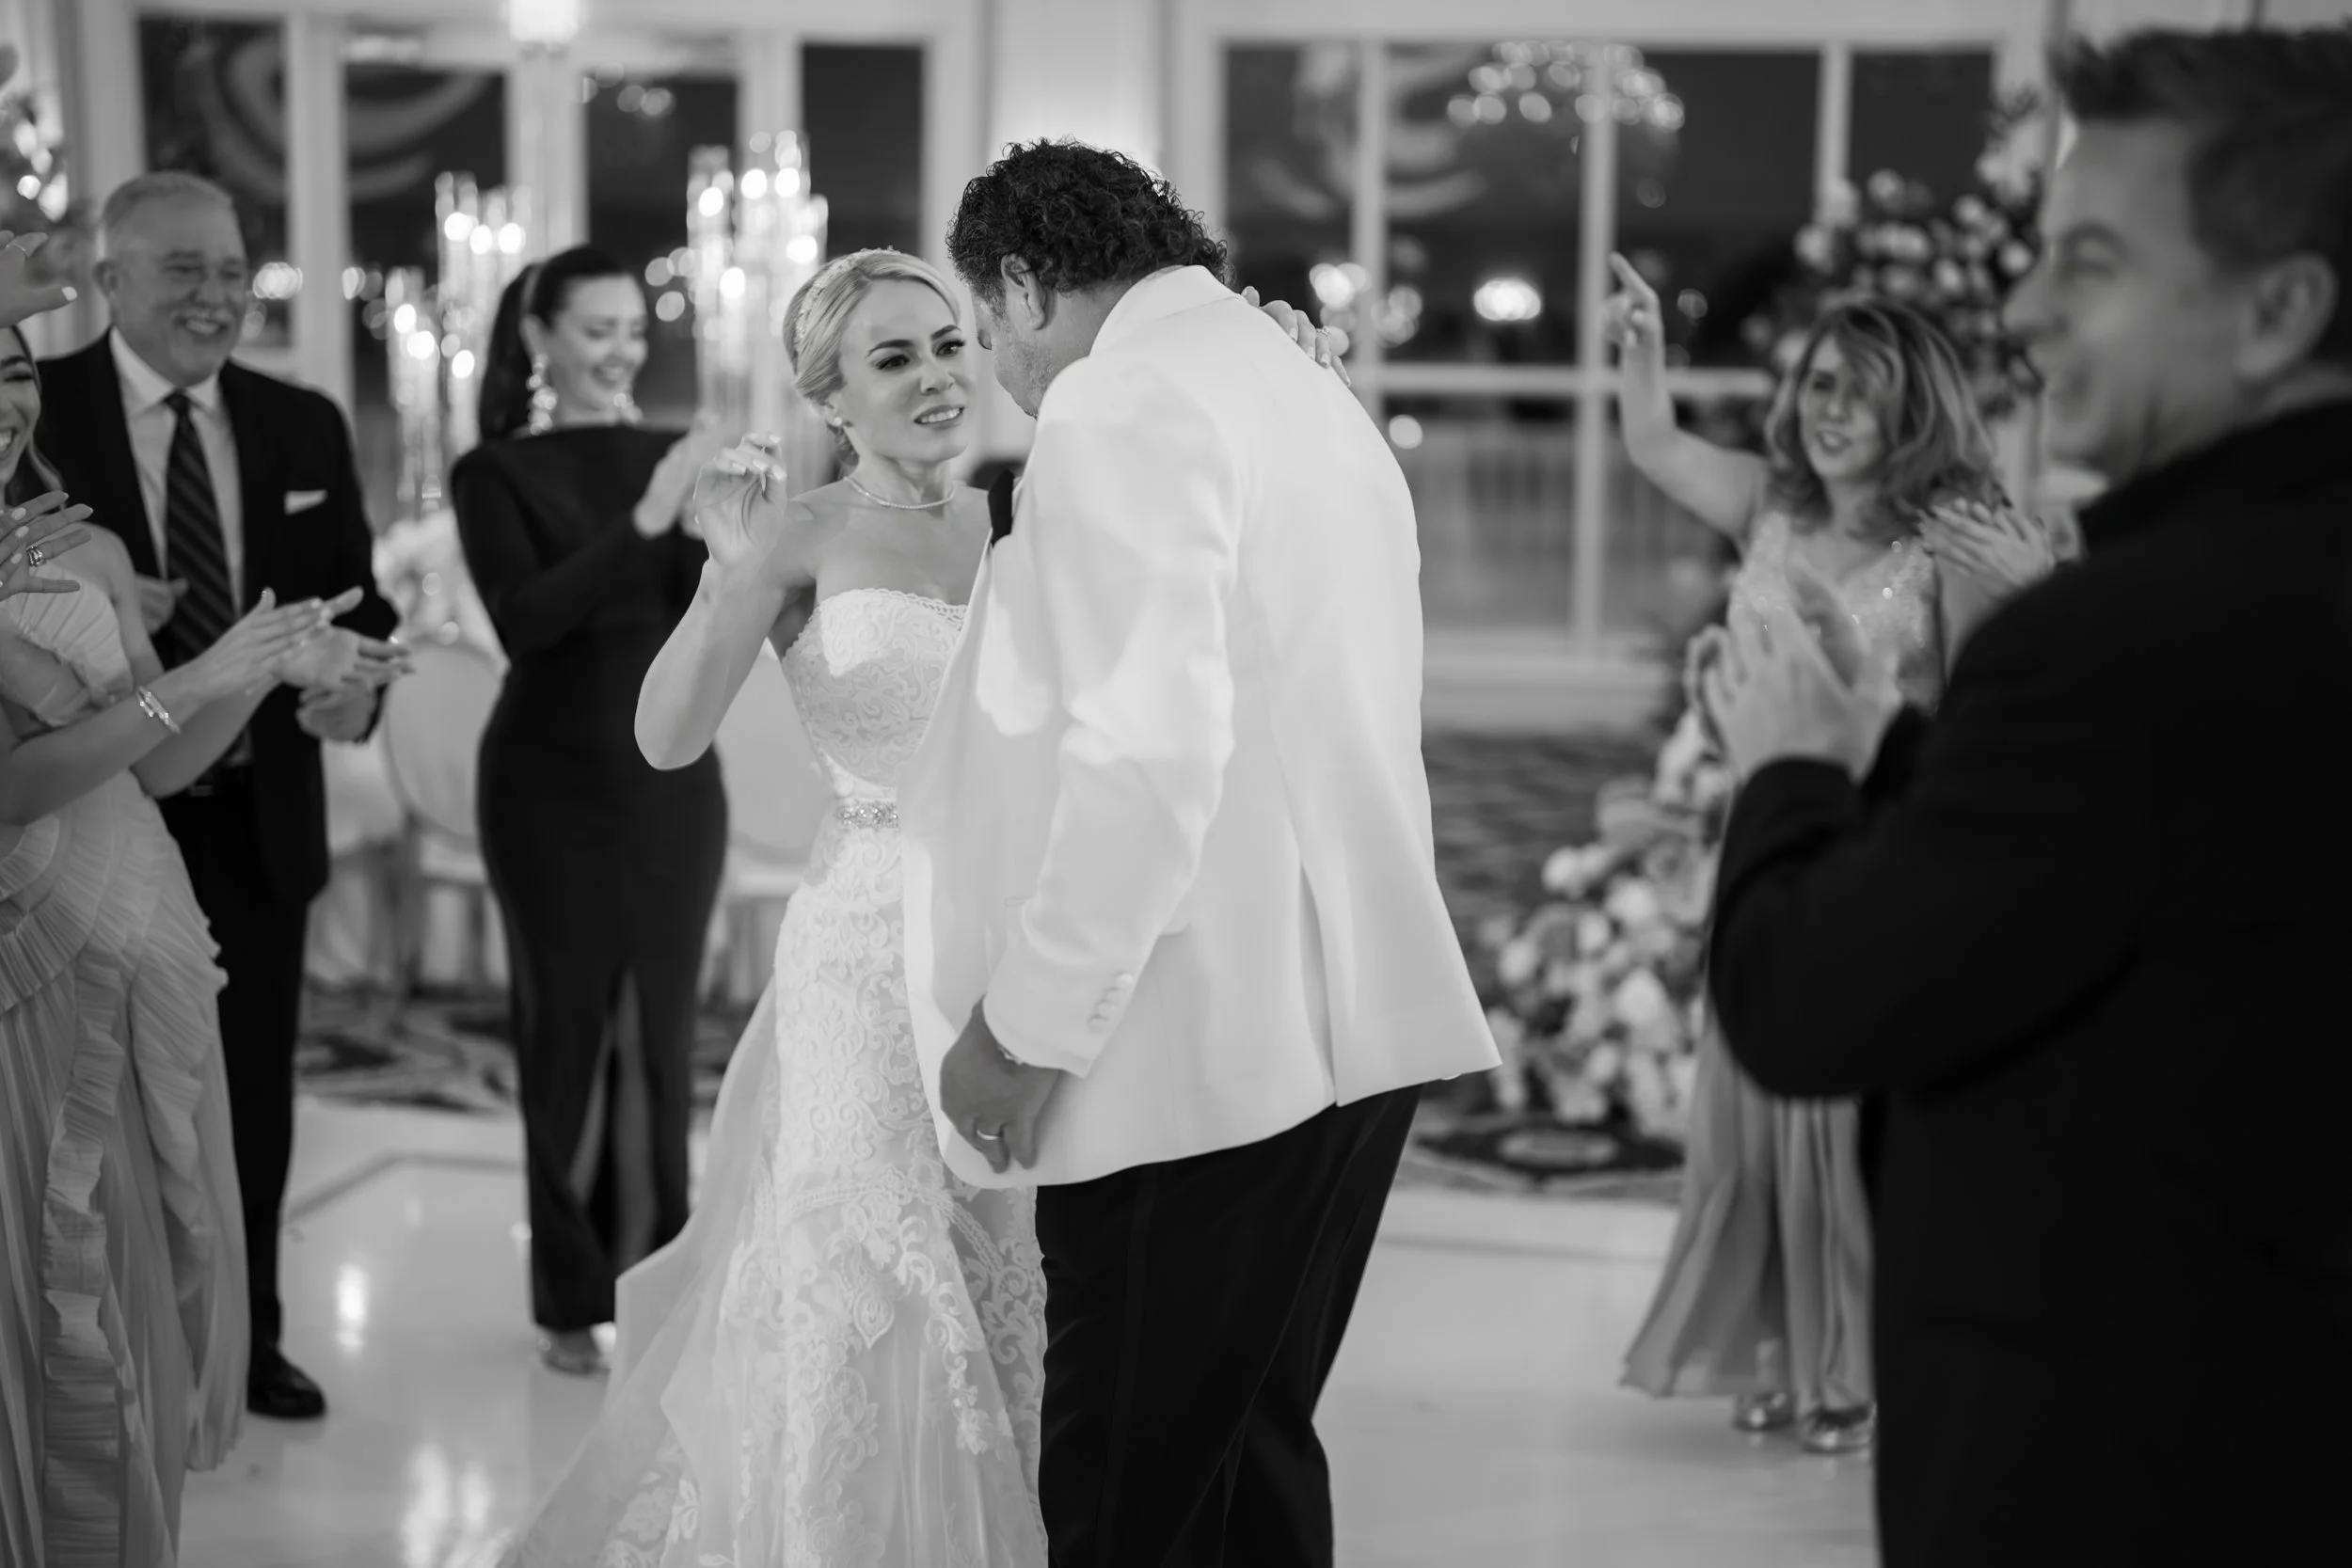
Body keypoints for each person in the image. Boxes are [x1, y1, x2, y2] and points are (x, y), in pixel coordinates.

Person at [498, 245, 1343, 1565]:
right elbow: (664, 735)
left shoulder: (1025, 514)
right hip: (860, 943)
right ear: (830, 397)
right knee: (867, 1260)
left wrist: (1269, 380)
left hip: (1008, 935)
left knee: (1007, 1259)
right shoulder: (802, 533)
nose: (942, 376)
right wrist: (730, 573)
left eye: (949, 343)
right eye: (895, 358)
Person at [1695, 26, 2352, 1567]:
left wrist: (1798, 761)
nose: (2028, 307)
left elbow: (1809, 1002)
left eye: (2096, 262)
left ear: (2279, 310)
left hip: (2137, 1451)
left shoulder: (2123, 644)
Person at [902, 140, 1500, 1568]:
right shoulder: (1305, 384)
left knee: (1124, 1499)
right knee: (1248, 1461)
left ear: (1029, 284)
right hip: (1347, 1032)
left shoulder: (1125, 401)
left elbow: (1147, 750)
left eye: (988, 328)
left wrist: (1024, 1025)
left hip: (1205, 1059)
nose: (1000, 367)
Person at [1594, 281, 2055, 1454]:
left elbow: (2007, 712)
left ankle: (1852, 1362)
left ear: (1913, 406)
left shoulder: (1951, 541)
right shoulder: (1770, 506)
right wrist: (1645, 349)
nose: (1824, 406)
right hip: (1761, 836)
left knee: (1844, 1124)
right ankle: (1789, 1349)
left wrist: (2037, 585)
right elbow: (1650, 442)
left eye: (1857, 386)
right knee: (1753, 1120)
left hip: (1871, 856)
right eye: (1812, 382)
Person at [0, 319, 394, 1564]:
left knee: (142, 1231)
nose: (8, 405)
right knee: (42, 1245)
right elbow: (14, 788)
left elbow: (157, 760)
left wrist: (254, 670)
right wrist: (203, 667)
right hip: (29, 927)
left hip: (139, 899)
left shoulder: (86, 547)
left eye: (14, 376)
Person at [453, 247, 734, 1376]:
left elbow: (704, 619)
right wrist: (651, 511)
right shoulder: (496, 473)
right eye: (596, 329)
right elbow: (530, 620)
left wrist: (724, 525)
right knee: (566, 1030)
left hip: (671, 781)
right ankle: (570, 1297)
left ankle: (657, 1280)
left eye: (632, 330)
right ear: (540, 339)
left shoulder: (678, 457)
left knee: (658, 1038)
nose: (620, 350)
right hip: (549, 783)